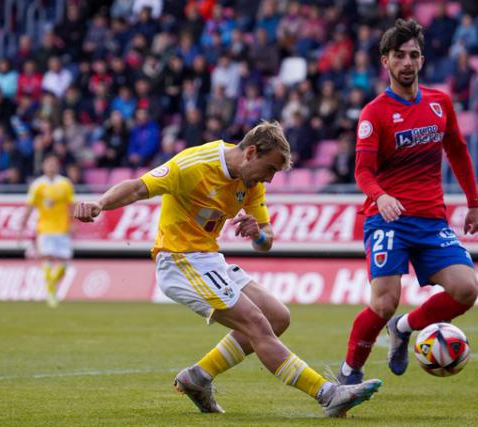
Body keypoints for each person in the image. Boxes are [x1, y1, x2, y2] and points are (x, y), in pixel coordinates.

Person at [74, 122, 382, 417]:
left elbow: (267, 241)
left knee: (278, 317)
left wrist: (258, 233)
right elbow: (138, 187)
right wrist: (100, 204)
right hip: (179, 259)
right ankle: (328, 394)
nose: (270, 179)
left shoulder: (251, 182)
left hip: (209, 259)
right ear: (251, 153)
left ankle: (198, 377)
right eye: (270, 169)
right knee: (257, 324)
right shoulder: (193, 165)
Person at [336, 19, 478, 385]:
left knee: (466, 289)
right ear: (385, 60)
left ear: (422, 59)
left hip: (432, 220)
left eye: (413, 55)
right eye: (399, 55)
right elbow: (363, 173)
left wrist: (474, 203)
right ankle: (349, 373)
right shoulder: (374, 113)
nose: (407, 62)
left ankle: (403, 328)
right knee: (384, 301)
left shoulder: (439, 103)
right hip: (387, 220)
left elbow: (459, 153)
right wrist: (381, 196)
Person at [18, 154, 75, 308]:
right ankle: (51, 294)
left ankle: (51, 285)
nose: (51, 166)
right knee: (47, 258)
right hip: (45, 228)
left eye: (54, 163)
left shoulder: (65, 184)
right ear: (43, 166)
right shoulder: (37, 185)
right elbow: (30, 206)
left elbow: (71, 205)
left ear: (58, 166)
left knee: (63, 264)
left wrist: (73, 223)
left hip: (62, 228)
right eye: (48, 163)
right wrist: (22, 224)